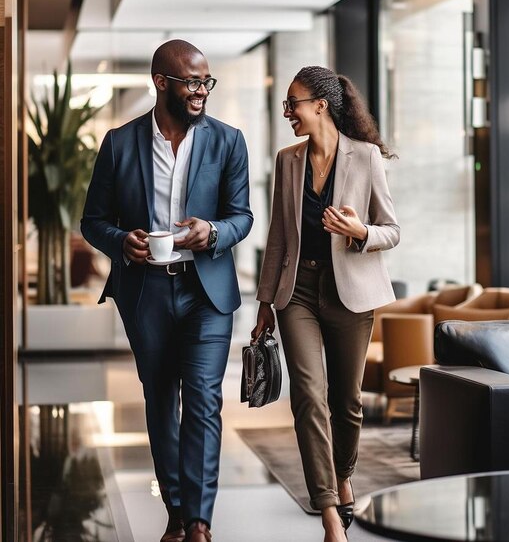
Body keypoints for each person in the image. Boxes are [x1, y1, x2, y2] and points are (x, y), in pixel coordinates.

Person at [81, 39, 253, 542]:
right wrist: (122, 242)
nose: (202, 90)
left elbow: (241, 216)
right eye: (192, 81)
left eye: (206, 81)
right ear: (162, 82)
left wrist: (214, 232)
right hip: (146, 292)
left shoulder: (228, 141)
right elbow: (93, 222)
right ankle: (176, 511)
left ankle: (199, 521)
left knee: (202, 398)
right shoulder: (119, 142)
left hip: (207, 294)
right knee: (160, 399)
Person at [253, 66, 400, 542]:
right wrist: (262, 304)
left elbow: (392, 230)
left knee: (347, 402)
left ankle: (343, 473)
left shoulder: (367, 157)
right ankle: (329, 510)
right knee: (309, 395)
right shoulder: (287, 159)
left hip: (351, 293)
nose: (288, 112)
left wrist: (360, 233)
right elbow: (277, 237)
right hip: (296, 292)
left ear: (321, 104)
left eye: (293, 102)